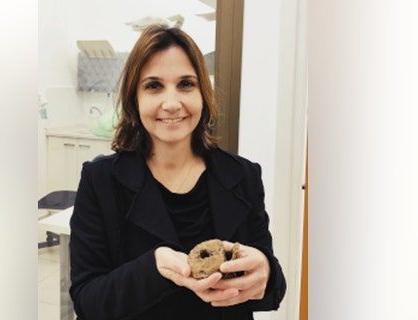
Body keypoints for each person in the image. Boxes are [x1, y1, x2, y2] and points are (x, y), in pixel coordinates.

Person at [69, 24, 286, 320]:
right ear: (135, 99)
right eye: (154, 86)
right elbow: (87, 302)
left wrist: (267, 271)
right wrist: (153, 268)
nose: (172, 104)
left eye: (186, 84)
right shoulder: (101, 182)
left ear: (202, 94)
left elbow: (271, 291)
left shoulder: (243, 176)